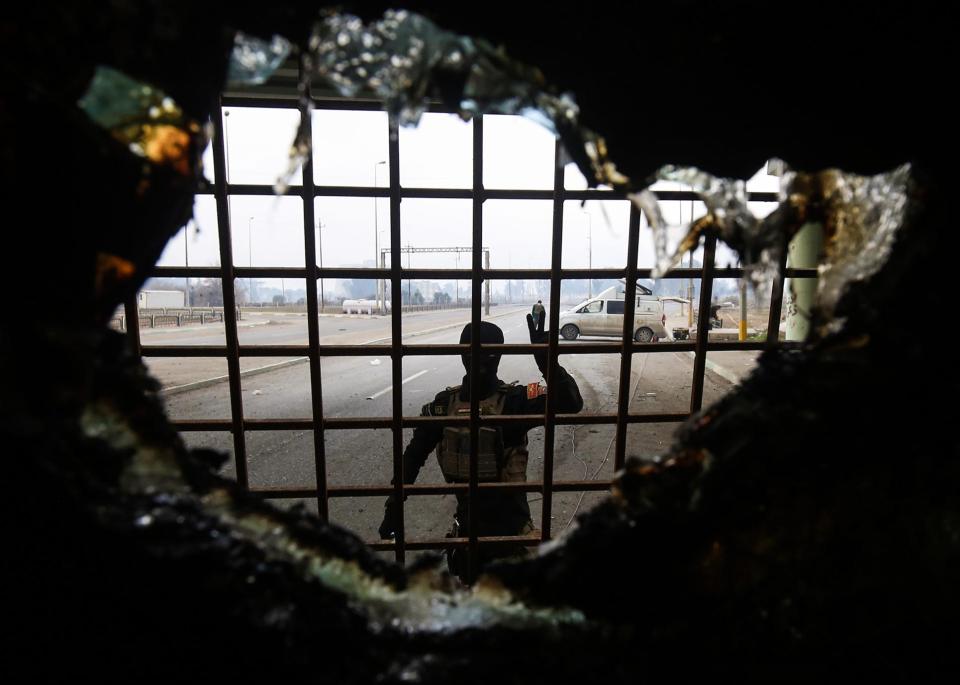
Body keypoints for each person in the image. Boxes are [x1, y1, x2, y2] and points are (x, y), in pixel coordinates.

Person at [377, 310, 583, 581]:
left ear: (498, 356)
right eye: (472, 352)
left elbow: (571, 403)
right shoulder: (444, 406)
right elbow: (413, 456)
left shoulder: (515, 402)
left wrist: (546, 358)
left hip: (511, 531)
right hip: (468, 533)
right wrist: (394, 505)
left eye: (488, 353)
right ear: (462, 355)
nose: (480, 360)